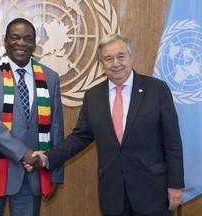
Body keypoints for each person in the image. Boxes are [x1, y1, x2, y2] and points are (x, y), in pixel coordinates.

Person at [26, 34, 184, 216]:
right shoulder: (93, 96)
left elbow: (172, 141)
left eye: (121, 56)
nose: (115, 63)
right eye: (108, 58)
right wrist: (47, 157)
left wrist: (175, 184)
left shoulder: (157, 90)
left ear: (131, 57)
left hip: (153, 191)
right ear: (102, 64)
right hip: (113, 194)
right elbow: (80, 137)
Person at [0, 18, 64, 216]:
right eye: (15, 38)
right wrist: (23, 153)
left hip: (31, 176)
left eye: (28, 39)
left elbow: (55, 127)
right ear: (5, 41)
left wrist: (54, 172)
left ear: (34, 44)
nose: (21, 43)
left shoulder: (50, 77)